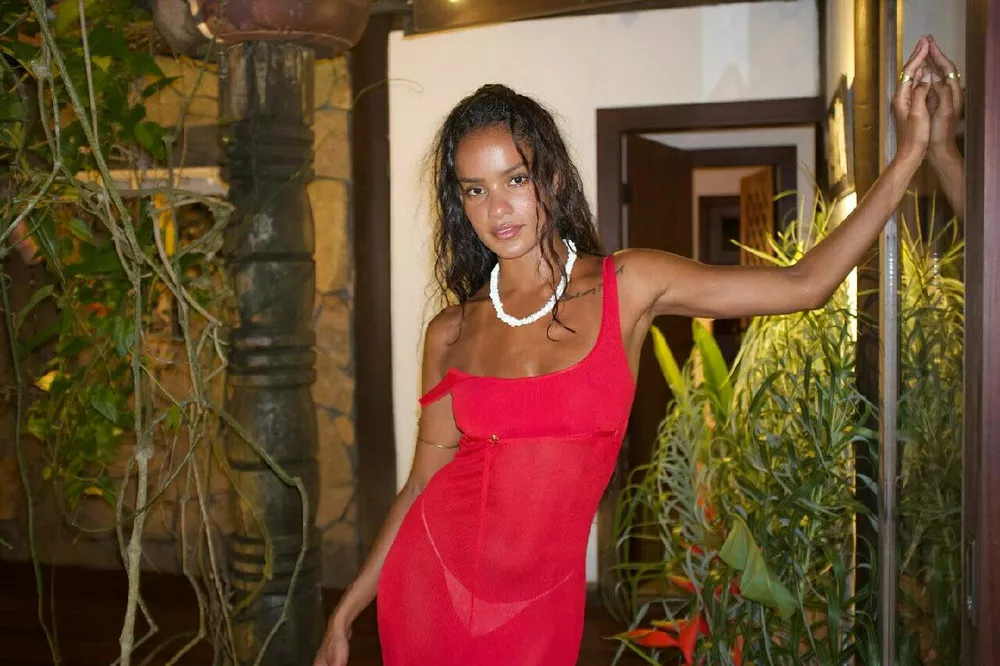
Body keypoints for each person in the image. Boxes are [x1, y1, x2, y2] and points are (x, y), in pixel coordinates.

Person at [314, 36, 939, 666]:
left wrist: (912, 152)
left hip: (540, 612)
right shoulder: (450, 331)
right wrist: (343, 615)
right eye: (474, 190)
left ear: (551, 177)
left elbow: (806, 284)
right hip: (432, 588)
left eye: (515, 179)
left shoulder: (628, 285)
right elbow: (422, 484)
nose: (497, 207)